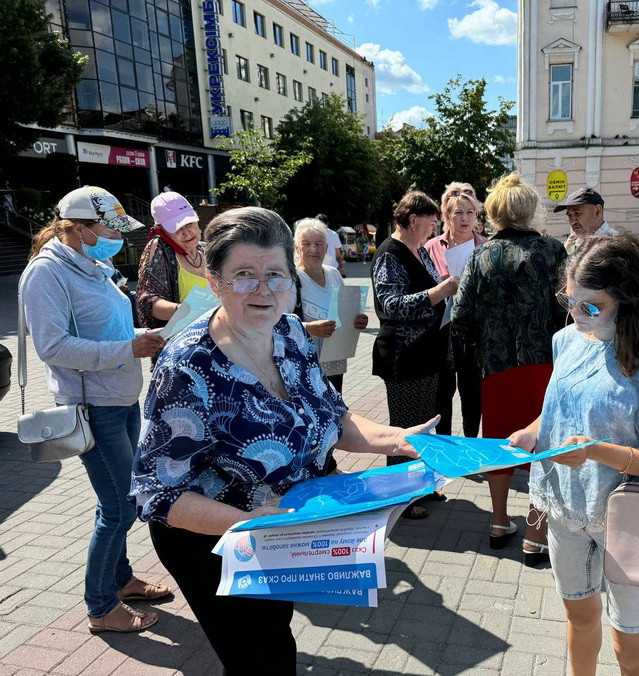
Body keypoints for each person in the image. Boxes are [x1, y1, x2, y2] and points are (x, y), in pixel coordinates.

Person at [130, 207, 437, 674]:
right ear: (215, 282)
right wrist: (248, 522)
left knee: (276, 636)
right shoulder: (187, 366)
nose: (264, 289)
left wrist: (398, 440)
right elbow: (158, 492)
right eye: (245, 275)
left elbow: (332, 415)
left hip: (280, 526)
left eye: (275, 274)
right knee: (259, 655)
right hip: (212, 538)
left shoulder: (290, 331)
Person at [508, 233, 639, 676]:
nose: (576, 314)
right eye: (569, 301)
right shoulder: (566, 340)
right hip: (564, 509)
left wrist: (597, 452)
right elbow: (560, 409)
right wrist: (531, 433)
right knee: (579, 617)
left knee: (630, 646)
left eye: (591, 306)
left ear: (628, 301)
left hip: (629, 521)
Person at [20, 186, 170, 633]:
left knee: (116, 500)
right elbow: (53, 347)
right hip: (93, 406)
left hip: (121, 398)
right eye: (111, 228)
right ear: (80, 228)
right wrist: (129, 347)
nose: (118, 238)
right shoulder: (47, 273)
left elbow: (113, 327)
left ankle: (121, 581)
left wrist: (150, 333)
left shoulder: (93, 265)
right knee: (120, 507)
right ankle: (101, 607)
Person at [453, 173, 567, 562]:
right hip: (545, 364)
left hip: (496, 366)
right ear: (529, 210)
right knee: (544, 443)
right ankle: (536, 532)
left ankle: (498, 521)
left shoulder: (481, 255)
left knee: (498, 442)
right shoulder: (553, 251)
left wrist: (480, 347)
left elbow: (461, 315)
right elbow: (568, 309)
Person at [371, 191, 458, 519]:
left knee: (423, 426)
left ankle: (419, 487)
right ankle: (399, 497)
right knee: (404, 429)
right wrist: (441, 291)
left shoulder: (419, 250)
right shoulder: (390, 255)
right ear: (411, 220)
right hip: (404, 357)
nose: (436, 223)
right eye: (431, 218)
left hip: (427, 354)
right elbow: (390, 306)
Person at [425, 183, 486, 438]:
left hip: (473, 333)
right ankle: (445, 448)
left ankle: (471, 446)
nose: (464, 219)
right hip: (441, 332)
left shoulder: (486, 247)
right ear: (447, 216)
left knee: (472, 394)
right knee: (442, 394)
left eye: (470, 213)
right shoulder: (430, 247)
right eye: (458, 213)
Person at [293, 217, 368, 393]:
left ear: (326, 248)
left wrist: (357, 321)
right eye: (306, 244)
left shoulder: (334, 274)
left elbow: (344, 312)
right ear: (297, 248)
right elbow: (277, 324)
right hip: (306, 365)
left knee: (336, 412)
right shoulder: (291, 280)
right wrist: (309, 328)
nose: (313, 249)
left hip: (334, 361)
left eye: (319, 244)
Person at [136, 192, 207, 332]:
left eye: (189, 224)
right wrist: (184, 310)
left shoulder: (207, 249)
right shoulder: (159, 249)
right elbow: (147, 303)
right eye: (177, 228)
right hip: (181, 341)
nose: (186, 232)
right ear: (162, 232)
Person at [554, 187, 621, 256]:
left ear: (597, 211)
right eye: (570, 215)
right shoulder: (571, 244)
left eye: (577, 213)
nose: (573, 221)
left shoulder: (617, 244)